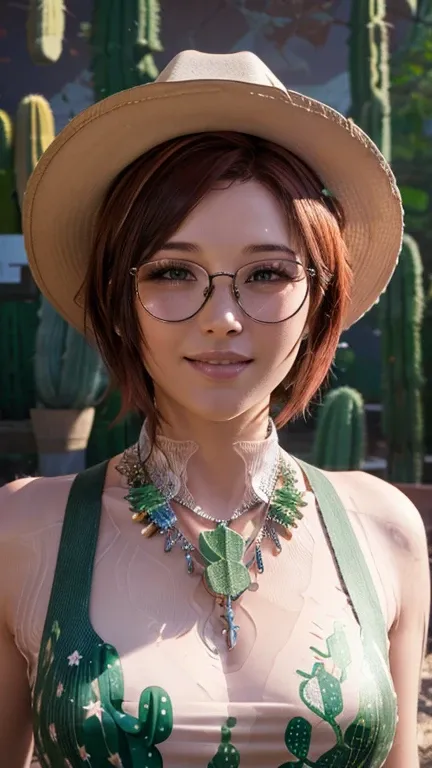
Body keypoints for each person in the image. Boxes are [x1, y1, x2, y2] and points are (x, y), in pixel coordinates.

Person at [0, 50, 429, 768]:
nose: (222, 316)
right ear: (119, 299)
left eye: (267, 273)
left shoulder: (385, 531)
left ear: (320, 298)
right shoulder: (21, 531)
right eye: (173, 272)